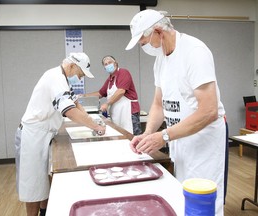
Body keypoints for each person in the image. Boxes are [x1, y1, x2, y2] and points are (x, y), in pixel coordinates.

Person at [126, 9, 227, 215]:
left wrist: (163, 136)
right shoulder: (161, 59)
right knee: (182, 194)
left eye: (144, 42)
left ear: (158, 31)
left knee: (202, 201)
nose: (144, 47)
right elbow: (158, 104)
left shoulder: (194, 51)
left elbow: (208, 111)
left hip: (203, 141)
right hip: (179, 138)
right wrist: (148, 133)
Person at [14, 52, 106, 216]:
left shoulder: (63, 80)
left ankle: (44, 212)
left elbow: (75, 104)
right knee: (33, 185)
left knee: (42, 181)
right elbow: (70, 111)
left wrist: (92, 121)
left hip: (43, 135)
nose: (79, 79)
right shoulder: (55, 77)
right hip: (33, 136)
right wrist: (95, 126)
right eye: (80, 74)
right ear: (71, 65)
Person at [83, 55, 142, 135]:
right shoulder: (110, 79)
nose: (108, 65)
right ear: (104, 68)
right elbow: (100, 93)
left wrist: (107, 104)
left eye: (110, 62)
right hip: (118, 115)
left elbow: (121, 91)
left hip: (129, 112)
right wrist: (83, 96)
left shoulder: (123, 72)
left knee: (133, 138)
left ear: (116, 63)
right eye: (105, 64)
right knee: (121, 137)